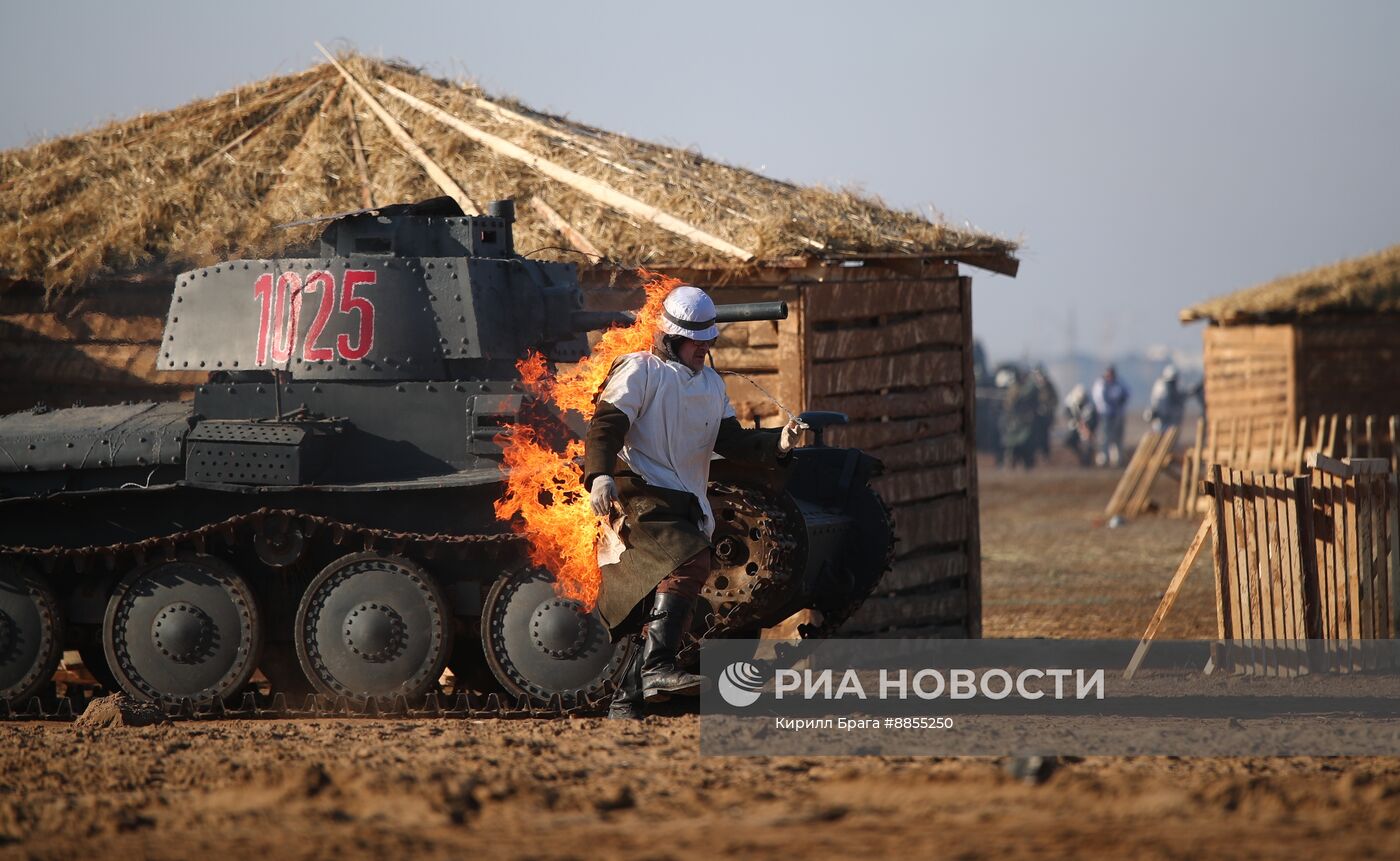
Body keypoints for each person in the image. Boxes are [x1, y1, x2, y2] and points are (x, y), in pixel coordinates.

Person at [583, 286, 803, 719]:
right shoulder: (639, 370)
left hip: (685, 498)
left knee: (664, 597)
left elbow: (731, 442)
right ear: (670, 337)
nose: (703, 347)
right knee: (691, 561)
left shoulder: (710, 384)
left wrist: (778, 441)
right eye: (694, 339)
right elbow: (606, 426)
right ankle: (659, 668)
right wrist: (600, 475)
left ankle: (627, 699)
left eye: (707, 339)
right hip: (639, 490)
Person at [1000, 368, 1040, 469]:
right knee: (1013, 448)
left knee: (1026, 447)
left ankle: (1026, 465)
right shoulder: (1015, 389)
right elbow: (1014, 401)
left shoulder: (1021, 388)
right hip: (1015, 424)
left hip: (1023, 424)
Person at [1091, 365, 1129, 467]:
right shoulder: (1100, 384)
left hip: (1118, 415)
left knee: (1117, 437)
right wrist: (1108, 409)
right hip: (1105, 416)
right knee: (1104, 437)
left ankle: (1117, 459)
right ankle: (1103, 459)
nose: (1110, 376)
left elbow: (1126, 394)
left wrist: (1118, 407)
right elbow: (1099, 400)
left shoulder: (1120, 383)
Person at [1063, 383, 1099, 466]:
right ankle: (1080, 456)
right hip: (1076, 426)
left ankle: (1087, 461)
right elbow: (1067, 413)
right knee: (1069, 440)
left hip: (1087, 427)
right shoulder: (1070, 402)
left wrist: (1088, 429)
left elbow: (1094, 419)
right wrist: (1075, 422)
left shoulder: (1090, 405)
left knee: (1088, 444)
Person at [1144, 364, 1188, 432]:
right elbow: (1155, 404)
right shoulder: (1160, 389)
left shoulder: (1178, 389)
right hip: (1161, 425)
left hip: (1174, 425)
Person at [1029, 365, 1058, 460]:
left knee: (1044, 436)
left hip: (1046, 416)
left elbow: (1055, 400)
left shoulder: (1048, 386)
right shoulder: (1033, 386)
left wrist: (1047, 408)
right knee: (1035, 436)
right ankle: (1036, 454)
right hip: (1035, 416)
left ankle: (1045, 455)